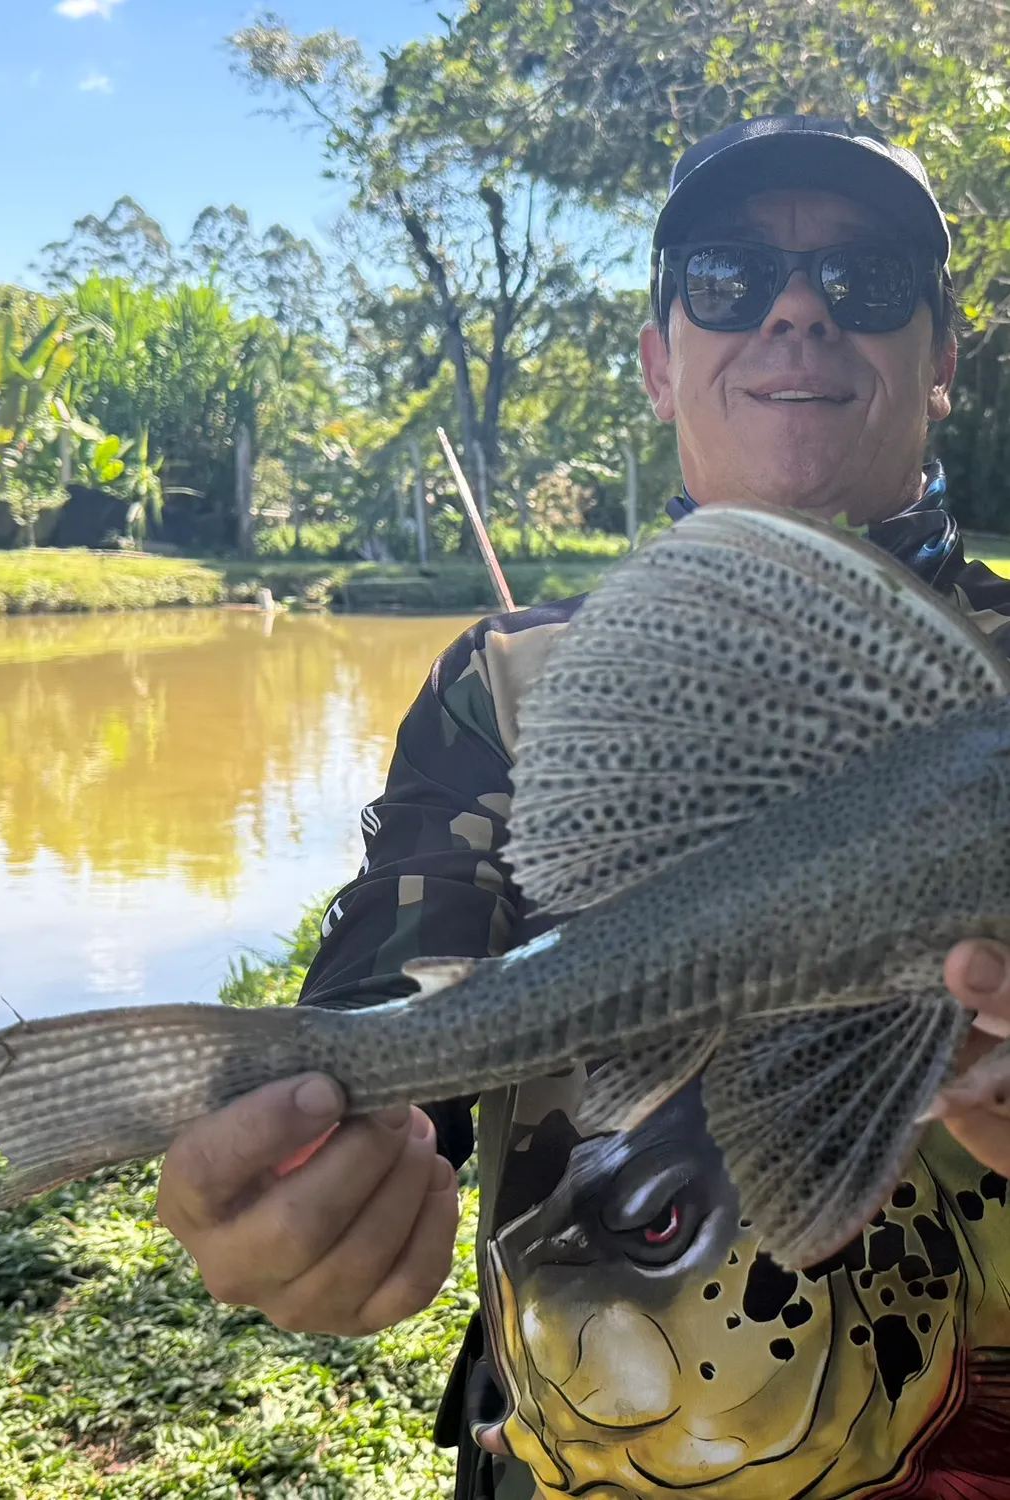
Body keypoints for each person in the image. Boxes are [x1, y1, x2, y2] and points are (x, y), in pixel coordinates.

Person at [156, 117, 1010, 1497]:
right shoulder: (509, 687)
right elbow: (384, 995)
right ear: (660, 357)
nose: (798, 307)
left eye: (866, 279)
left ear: (945, 354)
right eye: (730, 276)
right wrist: (318, 1162)